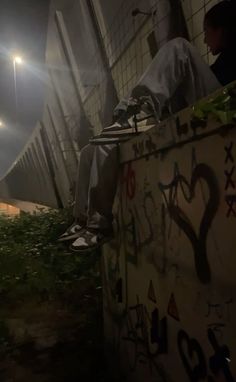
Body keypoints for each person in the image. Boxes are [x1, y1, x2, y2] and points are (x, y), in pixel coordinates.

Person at [59, 0, 236, 252]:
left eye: (207, 31)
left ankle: (140, 110)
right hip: (206, 107)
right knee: (94, 148)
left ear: (223, 28)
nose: (205, 40)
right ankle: (88, 220)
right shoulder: (218, 66)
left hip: (224, 107)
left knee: (179, 48)